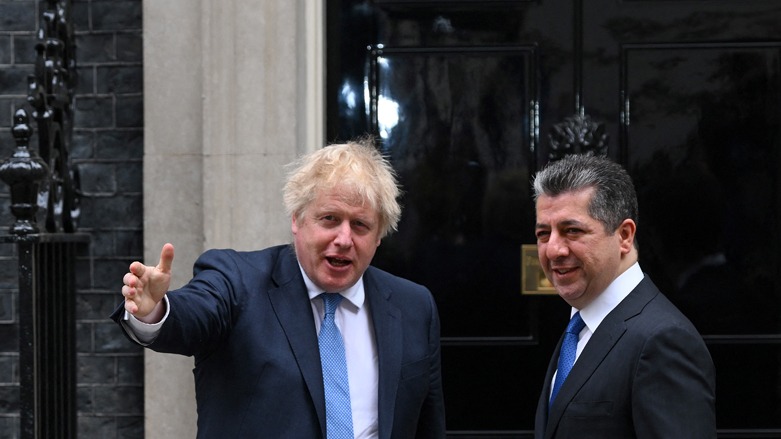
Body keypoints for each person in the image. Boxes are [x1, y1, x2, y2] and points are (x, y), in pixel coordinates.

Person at [110, 139, 446, 438]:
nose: (344, 239)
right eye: (329, 219)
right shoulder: (237, 281)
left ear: (379, 236)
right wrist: (156, 309)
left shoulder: (414, 306)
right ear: (297, 220)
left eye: (360, 225)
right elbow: (194, 315)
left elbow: (428, 425)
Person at [531, 153, 716, 438]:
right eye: (544, 234)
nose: (553, 249)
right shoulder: (578, 327)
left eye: (572, 230)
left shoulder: (662, 340)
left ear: (625, 236)